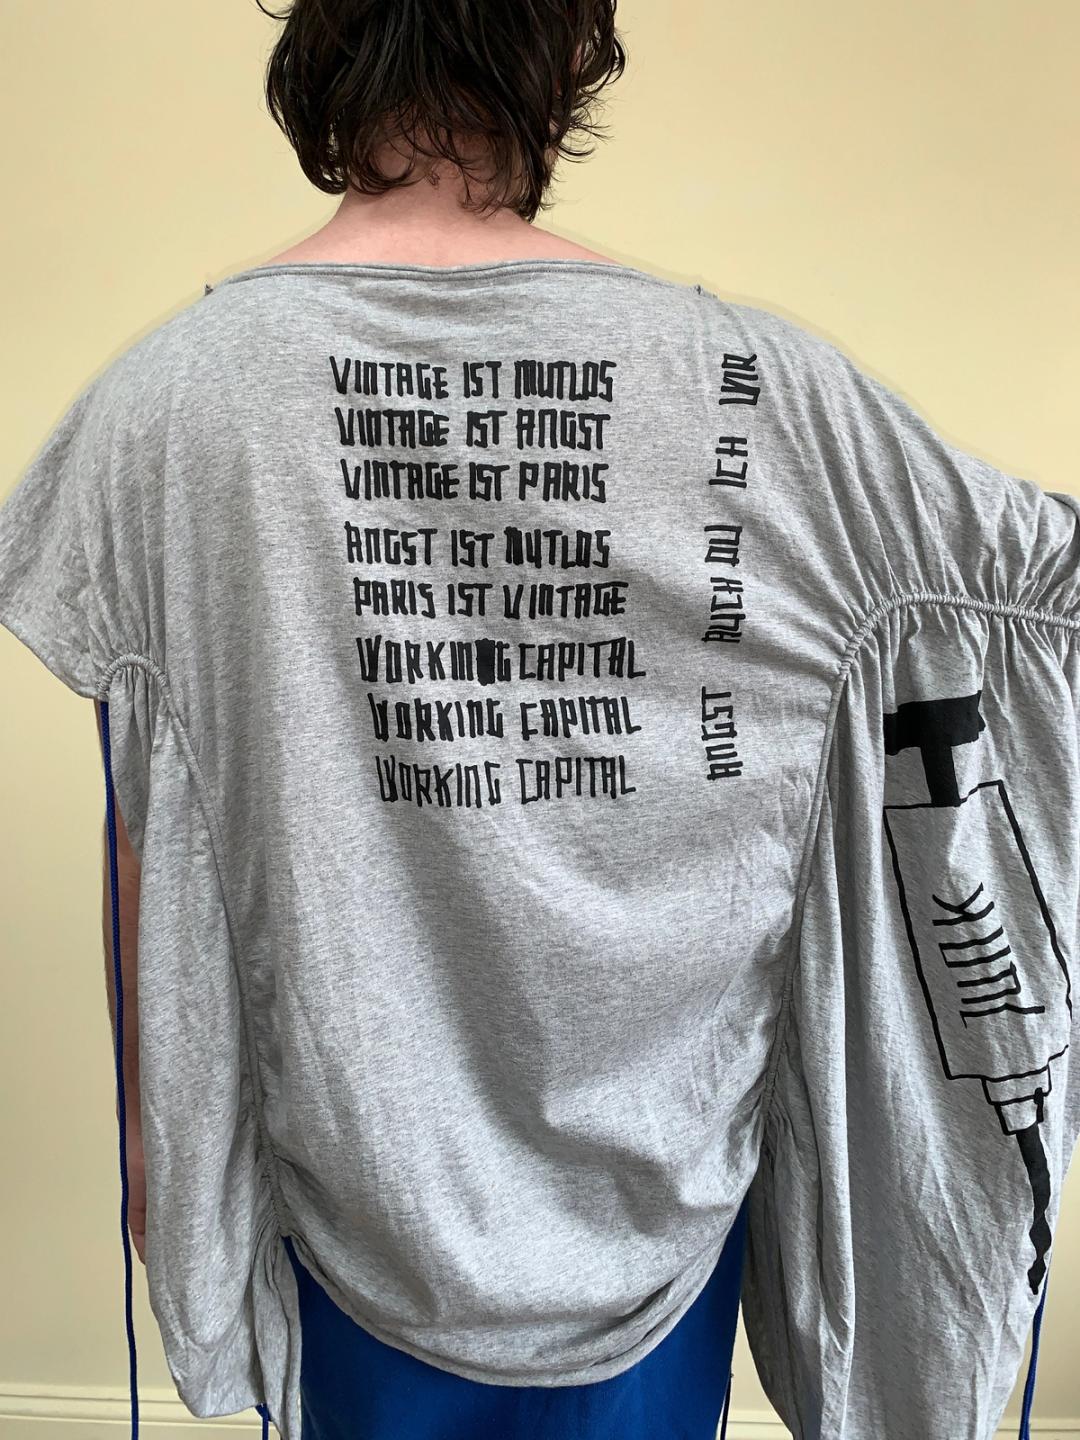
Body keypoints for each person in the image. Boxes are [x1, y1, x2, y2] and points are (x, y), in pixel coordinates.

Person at [0, 3, 1076, 1438]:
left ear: (326, 51)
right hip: (658, 1192)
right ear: (566, 55)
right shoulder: (760, 390)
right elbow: (1029, 594)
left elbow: (148, 820)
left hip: (348, 1184)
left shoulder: (167, 408)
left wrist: (161, 1160)